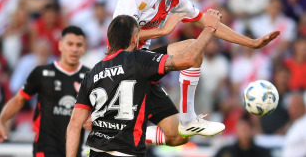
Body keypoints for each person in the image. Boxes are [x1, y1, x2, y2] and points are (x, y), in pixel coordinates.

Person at [113, 0, 280, 143]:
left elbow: (207, 23)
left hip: (142, 60)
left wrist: (251, 43)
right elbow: (121, 35)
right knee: (192, 47)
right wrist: (163, 31)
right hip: (121, 62)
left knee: (178, 137)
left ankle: (120, 135)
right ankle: (188, 118)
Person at [67, 11, 221, 157]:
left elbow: (74, 125)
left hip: (96, 151)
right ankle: (188, 119)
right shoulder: (138, 59)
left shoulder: (91, 74)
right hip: (127, 152)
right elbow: (188, 59)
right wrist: (209, 28)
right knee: (179, 136)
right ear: (135, 38)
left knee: (177, 136)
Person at [0, 26, 90, 157]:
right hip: (45, 148)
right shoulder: (41, 73)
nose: (74, 49)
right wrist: (1, 120)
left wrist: (92, 121)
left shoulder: (90, 77)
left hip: (74, 151)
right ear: (60, 45)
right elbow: (19, 99)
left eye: (78, 45)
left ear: (84, 48)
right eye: (70, 44)